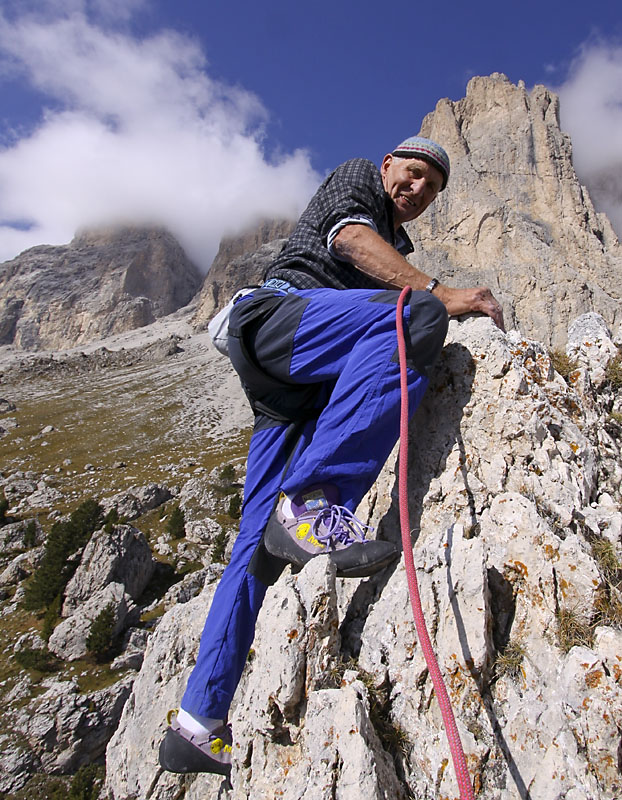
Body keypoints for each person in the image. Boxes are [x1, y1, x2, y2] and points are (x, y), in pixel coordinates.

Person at [159, 136, 504, 776]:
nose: (419, 189)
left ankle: (197, 721)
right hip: (275, 319)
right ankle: (316, 501)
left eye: (432, 187)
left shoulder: (397, 248)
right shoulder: (356, 185)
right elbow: (347, 242)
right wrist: (438, 291)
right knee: (416, 316)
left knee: (256, 549)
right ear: (387, 167)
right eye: (414, 173)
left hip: (295, 393)